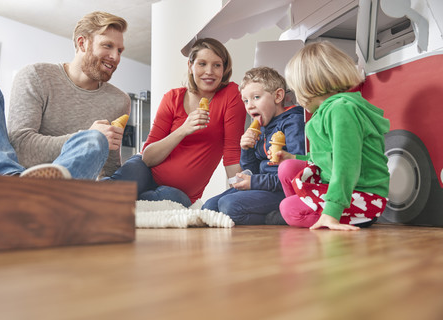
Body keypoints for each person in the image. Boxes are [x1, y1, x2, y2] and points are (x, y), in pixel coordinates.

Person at [0, 11, 130, 179]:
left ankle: (37, 193)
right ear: (82, 43)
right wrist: (82, 137)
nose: (115, 57)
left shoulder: (119, 101)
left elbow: (109, 168)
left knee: (95, 140)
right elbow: (20, 148)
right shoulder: (35, 76)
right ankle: (6, 184)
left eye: (120, 50)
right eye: (107, 46)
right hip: (15, 176)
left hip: (61, 186)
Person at [107, 38, 246, 207]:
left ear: (224, 68)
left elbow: (232, 153)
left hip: (179, 192)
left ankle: (124, 201)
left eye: (217, 65)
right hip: (144, 171)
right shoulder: (172, 98)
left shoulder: (231, 95)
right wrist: (183, 129)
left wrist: (240, 195)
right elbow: (148, 157)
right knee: (112, 190)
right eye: (202, 64)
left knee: (173, 200)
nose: (209, 71)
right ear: (190, 66)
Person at [272, 41, 390, 231]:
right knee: (287, 167)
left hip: (364, 197)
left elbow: (346, 165)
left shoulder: (341, 110)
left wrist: (332, 211)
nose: (296, 96)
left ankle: (324, 216)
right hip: (344, 189)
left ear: (307, 87)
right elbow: (327, 156)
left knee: (288, 209)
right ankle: (311, 208)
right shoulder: (326, 111)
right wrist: (295, 157)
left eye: (295, 90)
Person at [202, 67, 306, 225]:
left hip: (283, 190)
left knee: (229, 205)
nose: (249, 105)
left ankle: (277, 217)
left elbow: (297, 172)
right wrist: (246, 150)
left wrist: (254, 183)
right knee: (208, 207)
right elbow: (253, 170)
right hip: (262, 187)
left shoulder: (292, 122)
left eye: (256, 97)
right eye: (245, 100)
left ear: (278, 96)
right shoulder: (262, 127)